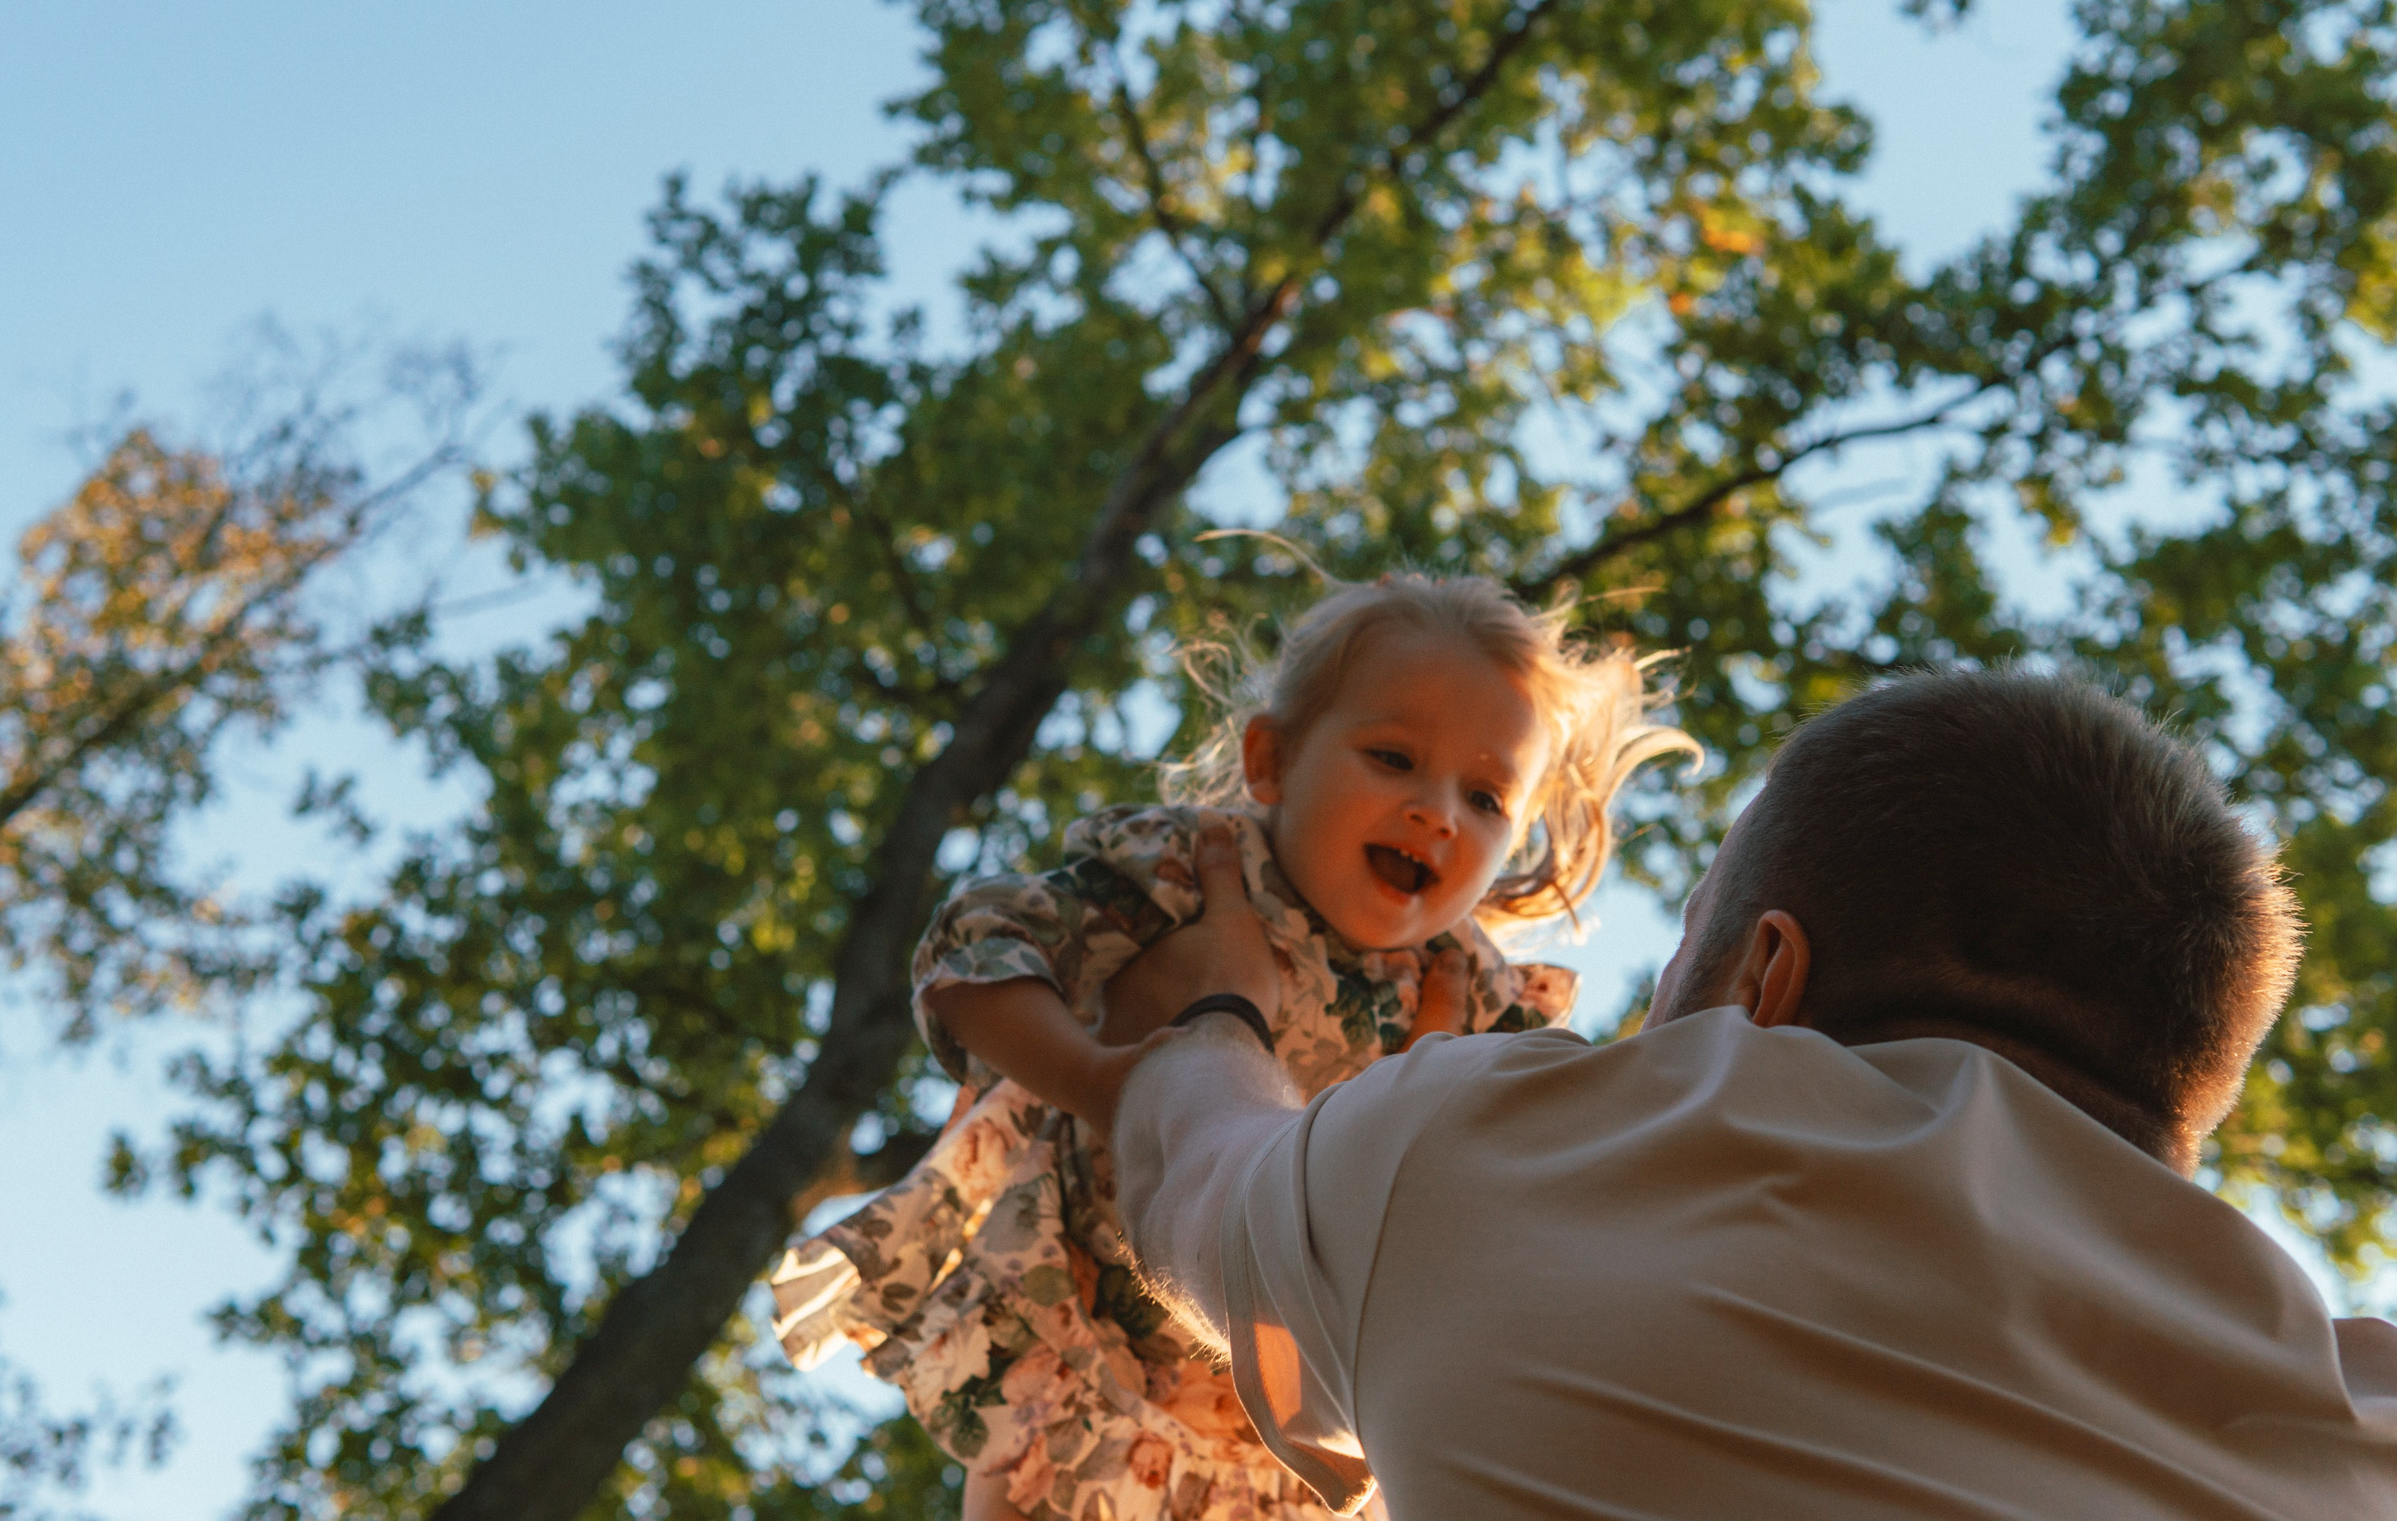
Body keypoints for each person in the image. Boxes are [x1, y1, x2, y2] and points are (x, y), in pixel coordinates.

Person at [1105, 670, 2397, 1517]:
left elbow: (1187, 1173)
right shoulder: (2364, 1420)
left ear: (1765, 974)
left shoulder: (1502, 1154)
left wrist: (1218, 1012)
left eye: (1683, 945)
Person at [767, 573, 1693, 1521]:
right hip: (1076, 1330)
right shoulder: (1194, 870)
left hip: (1274, 1431)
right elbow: (973, 951)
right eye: (1393, 757)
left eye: (1486, 796)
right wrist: (1094, 1079)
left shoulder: (1476, 998)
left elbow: (1552, 1186)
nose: (1438, 811)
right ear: (1271, 759)